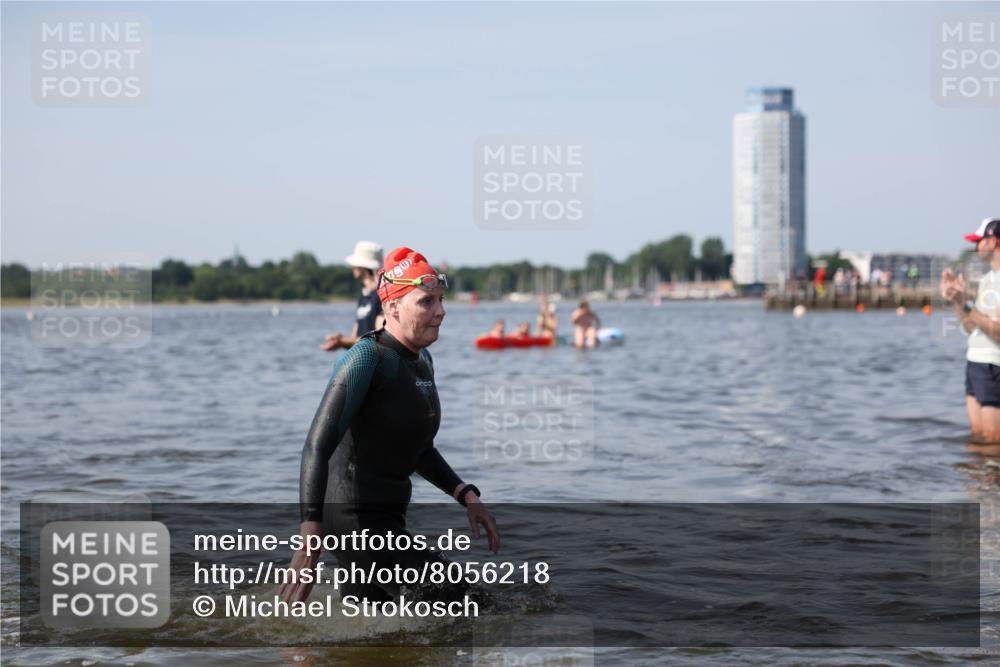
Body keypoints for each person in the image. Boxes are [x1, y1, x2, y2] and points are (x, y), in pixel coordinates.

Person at [282, 246, 500, 605]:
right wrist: (309, 537)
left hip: (387, 521)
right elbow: (315, 447)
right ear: (393, 307)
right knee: (474, 606)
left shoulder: (422, 361)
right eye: (426, 302)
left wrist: (466, 494)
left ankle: (299, 658)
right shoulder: (366, 358)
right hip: (356, 523)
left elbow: (418, 449)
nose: (441, 311)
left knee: (371, 636)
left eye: (441, 300)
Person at [941, 218, 1000, 442]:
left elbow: (997, 331)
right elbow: (970, 327)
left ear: (993, 241)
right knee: (977, 441)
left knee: (993, 443)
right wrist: (958, 300)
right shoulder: (987, 279)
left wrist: (967, 304)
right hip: (975, 362)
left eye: (979, 241)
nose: (975, 247)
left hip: (994, 365)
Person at [320, 241, 385, 351]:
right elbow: (356, 341)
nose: (352, 267)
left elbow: (380, 338)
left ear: (363, 266)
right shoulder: (363, 298)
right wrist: (341, 342)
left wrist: (343, 340)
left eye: (355, 264)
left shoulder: (381, 296)